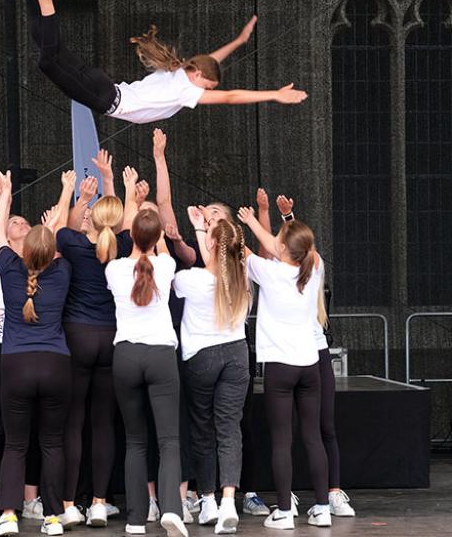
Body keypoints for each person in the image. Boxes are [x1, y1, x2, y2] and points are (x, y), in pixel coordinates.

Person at [0, 0, 307, 126]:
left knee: (51, 53)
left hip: (105, 87)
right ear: (197, 77)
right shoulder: (186, 89)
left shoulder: (179, 71)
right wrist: (273, 95)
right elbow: (231, 97)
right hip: (105, 97)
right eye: (208, 87)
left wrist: (238, 42)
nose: (209, 92)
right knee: (47, 59)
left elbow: (209, 62)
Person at [256, 191, 355, 517]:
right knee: (304, 433)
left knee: (314, 429)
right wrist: (273, 215)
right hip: (305, 361)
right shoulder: (307, 269)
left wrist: (266, 218)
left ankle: (319, 497)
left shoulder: (289, 269)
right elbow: (289, 247)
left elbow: (283, 247)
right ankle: (315, 504)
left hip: (302, 357)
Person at [0, 164, 73, 537]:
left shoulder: (7, 267)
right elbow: (52, 244)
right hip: (55, 364)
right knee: (52, 443)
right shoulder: (63, 270)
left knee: (15, 444)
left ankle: (8, 514)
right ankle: (53, 517)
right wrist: (65, 196)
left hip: (17, 365)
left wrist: (5, 193)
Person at [236, 207, 330, 529]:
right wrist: (286, 222)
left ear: (284, 248)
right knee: (312, 436)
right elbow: (289, 246)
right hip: (310, 366)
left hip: (280, 367)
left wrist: (246, 223)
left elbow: (242, 250)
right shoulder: (314, 267)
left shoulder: (269, 271)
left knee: (281, 440)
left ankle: (286, 512)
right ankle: (322, 507)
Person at [56, 168, 133, 529]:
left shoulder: (73, 245)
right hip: (111, 337)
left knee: (73, 422)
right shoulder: (125, 247)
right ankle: (100, 502)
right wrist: (120, 185)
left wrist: (78, 196)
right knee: (104, 422)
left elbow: (59, 228)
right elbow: (125, 221)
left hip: (77, 336)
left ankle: (70, 503)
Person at [106, 202, 189, 537]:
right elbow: (156, 248)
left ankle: (136, 519)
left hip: (125, 354)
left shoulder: (113, 269)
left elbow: (131, 238)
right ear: (156, 237)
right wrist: (159, 238)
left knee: (135, 441)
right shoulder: (166, 264)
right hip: (160, 355)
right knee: (169, 440)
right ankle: (171, 508)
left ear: (130, 236)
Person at [173, 213, 251, 535]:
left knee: (202, 429)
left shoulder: (192, 280)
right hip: (236, 355)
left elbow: (178, 275)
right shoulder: (242, 279)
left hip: (201, 359)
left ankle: (208, 499)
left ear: (212, 244)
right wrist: (203, 230)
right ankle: (229, 500)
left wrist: (196, 230)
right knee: (229, 429)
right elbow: (219, 260)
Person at [0, 209, 44, 525]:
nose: (21, 223)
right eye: (13, 221)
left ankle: (31, 498)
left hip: (33, 347)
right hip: (1, 347)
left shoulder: (40, 260)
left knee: (32, 427)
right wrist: (1, 196)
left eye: (25, 221)